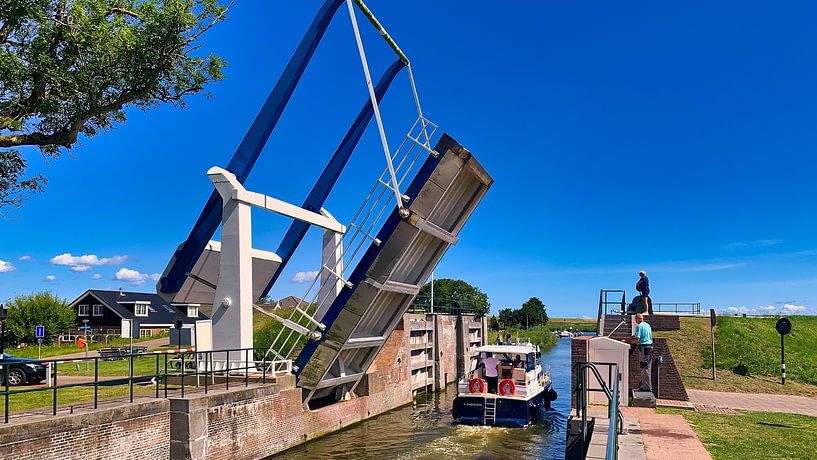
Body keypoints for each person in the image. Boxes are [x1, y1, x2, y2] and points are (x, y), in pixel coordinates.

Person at [632, 313, 654, 392]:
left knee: (644, 368)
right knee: (648, 367)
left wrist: (628, 341)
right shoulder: (648, 325)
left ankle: (647, 387)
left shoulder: (639, 326)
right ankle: (645, 385)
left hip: (644, 348)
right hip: (650, 347)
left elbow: (637, 339)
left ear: (637, 319)